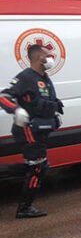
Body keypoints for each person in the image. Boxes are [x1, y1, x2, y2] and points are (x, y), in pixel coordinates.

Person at [0, 44, 64, 218]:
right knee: (37, 167)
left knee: (39, 166)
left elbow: (46, 101)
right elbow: (4, 96)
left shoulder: (44, 77)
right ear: (38, 58)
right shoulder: (26, 77)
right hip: (28, 129)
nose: (51, 57)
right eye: (47, 54)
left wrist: (55, 113)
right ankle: (24, 208)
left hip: (40, 129)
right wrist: (16, 110)